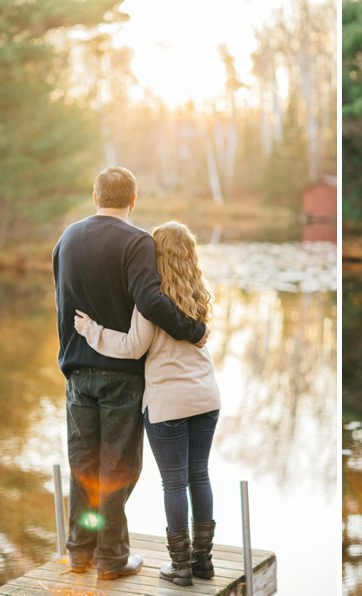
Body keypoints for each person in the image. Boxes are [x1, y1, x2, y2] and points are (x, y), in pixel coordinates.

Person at [53, 167, 208, 580]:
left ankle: (79, 553)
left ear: (94, 196)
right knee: (117, 468)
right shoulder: (136, 241)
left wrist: (69, 352)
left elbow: (60, 302)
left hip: (76, 372)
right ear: (133, 201)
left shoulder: (67, 238)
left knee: (83, 464)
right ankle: (111, 559)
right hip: (120, 374)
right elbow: (151, 301)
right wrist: (194, 331)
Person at [74, 221, 221, 587]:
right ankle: (203, 562)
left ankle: (180, 567)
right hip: (206, 397)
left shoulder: (151, 303)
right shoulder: (200, 294)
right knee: (199, 476)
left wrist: (91, 330)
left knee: (174, 484)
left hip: (167, 404)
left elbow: (131, 348)